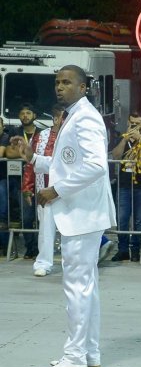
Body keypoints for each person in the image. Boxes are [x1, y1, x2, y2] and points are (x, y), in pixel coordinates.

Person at [13, 64, 116, 367]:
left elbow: (97, 165)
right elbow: (65, 163)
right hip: (82, 213)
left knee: (77, 288)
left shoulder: (85, 119)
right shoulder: (73, 117)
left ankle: (74, 357)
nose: (60, 87)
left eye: (67, 82)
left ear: (83, 87)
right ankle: (89, 354)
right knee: (86, 288)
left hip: (83, 215)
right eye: (57, 82)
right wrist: (33, 158)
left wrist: (55, 190)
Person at [22, 104, 65, 276]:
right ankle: (43, 263)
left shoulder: (72, 136)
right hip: (45, 191)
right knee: (46, 229)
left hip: (67, 190)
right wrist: (27, 188)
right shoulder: (40, 137)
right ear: (55, 118)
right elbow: (31, 163)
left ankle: (72, 263)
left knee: (72, 228)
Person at [110, 111, 141, 262]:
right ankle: (123, 249)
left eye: (137, 124)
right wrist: (125, 139)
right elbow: (116, 155)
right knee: (122, 218)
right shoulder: (122, 138)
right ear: (127, 123)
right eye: (131, 123)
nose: (133, 126)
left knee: (139, 219)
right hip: (124, 185)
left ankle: (137, 250)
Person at [16, 104, 41, 260]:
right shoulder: (15, 132)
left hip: (38, 179)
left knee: (40, 217)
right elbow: (10, 152)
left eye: (28, 113)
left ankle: (40, 248)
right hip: (19, 179)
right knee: (26, 216)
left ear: (34, 116)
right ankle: (30, 248)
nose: (25, 115)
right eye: (22, 113)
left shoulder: (41, 134)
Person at [0, 117, 11, 254]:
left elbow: (1, 153)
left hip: (3, 178)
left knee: (1, 191)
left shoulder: (5, 137)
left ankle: (2, 221)